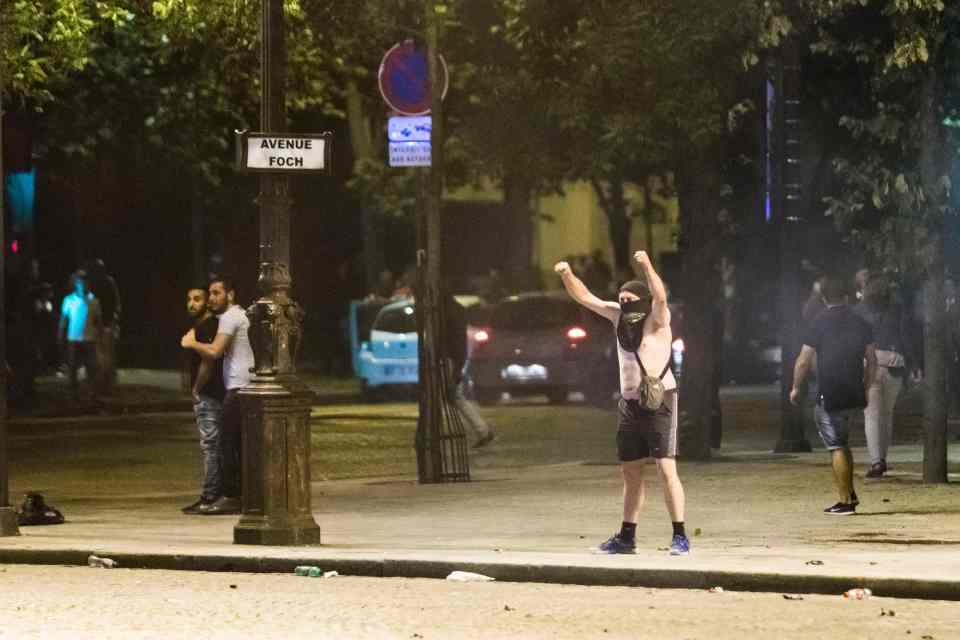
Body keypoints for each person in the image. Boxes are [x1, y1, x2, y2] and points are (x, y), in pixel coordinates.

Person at [555, 250, 689, 556]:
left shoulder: (657, 319)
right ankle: (626, 537)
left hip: (660, 401)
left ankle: (680, 534)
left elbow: (660, 296)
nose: (625, 304)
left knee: (666, 468)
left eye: (631, 299)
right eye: (622, 299)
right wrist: (566, 274)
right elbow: (585, 298)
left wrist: (645, 265)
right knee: (630, 472)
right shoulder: (618, 317)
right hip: (629, 404)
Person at [790, 276, 877, 515]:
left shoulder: (819, 322)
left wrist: (796, 387)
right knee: (843, 442)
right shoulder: (861, 322)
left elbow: (803, 360)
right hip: (854, 392)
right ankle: (849, 493)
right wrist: (866, 387)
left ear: (824, 298)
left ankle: (845, 500)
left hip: (830, 392)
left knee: (837, 446)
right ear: (847, 296)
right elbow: (872, 361)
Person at [181, 277, 254, 515]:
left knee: (224, 443)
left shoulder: (229, 318)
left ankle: (231, 496)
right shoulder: (238, 315)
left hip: (238, 386)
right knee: (235, 443)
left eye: (216, 293)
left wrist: (191, 343)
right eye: (209, 294)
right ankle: (240, 494)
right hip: (241, 385)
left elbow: (213, 353)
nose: (212, 298)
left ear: (230, 295)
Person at [854, 274, 919, 478]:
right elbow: (906, 338)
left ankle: (876, 461)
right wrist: (913, 363)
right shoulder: (898, 310)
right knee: (887, 415)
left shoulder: (859, 312)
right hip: (894, 365)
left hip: (869, 365)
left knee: (871, 415)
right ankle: (883, 456)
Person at [181, 286, 226, 514]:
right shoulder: (207, 326)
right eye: (189, 299)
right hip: (217, 393)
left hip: (209, 394)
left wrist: (196, 390)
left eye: (197, 299)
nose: (192, 304)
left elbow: (207, 363)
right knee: (216, 446)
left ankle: (210, 496)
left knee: (210, 446)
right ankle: (215, 494)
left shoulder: (206, 327)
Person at [446, 294, 495, 448]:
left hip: (450, 358)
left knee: (454, 396)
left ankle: (483, 430)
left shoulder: (449, 313)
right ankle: (482, 430)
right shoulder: (455, 311)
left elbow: (456, 343)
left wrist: (457, 368)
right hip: (452, 358)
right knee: (454, 396)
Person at [58, 270, 102, 401]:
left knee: (91, 368)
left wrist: (99, 337)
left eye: (85, 281)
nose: (82, 284)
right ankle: (74, 395)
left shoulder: (94, 301)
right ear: (76, 283)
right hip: (73, 339)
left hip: (89, 339)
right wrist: (60, 333)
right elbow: (64, 319)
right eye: (79, 281)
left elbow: (98, 321)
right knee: (72, 368)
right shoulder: (68, 300)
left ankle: (92, 394)